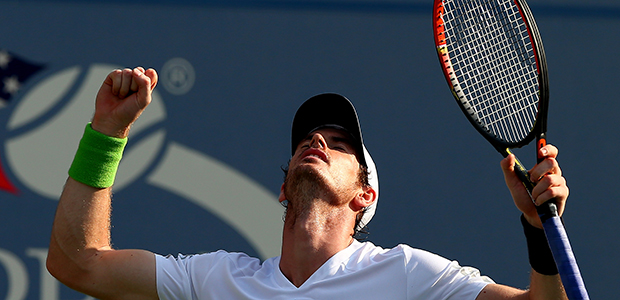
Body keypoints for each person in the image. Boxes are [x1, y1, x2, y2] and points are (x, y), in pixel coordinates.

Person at [47, 67, 569, 300]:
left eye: (341, 145)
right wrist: (108, 132)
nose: (317, 138)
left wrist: (536, 228)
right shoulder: (216, 281)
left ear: (364, 196)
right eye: (310, 137)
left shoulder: (407, 275)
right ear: (283, 190)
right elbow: (77, 262)